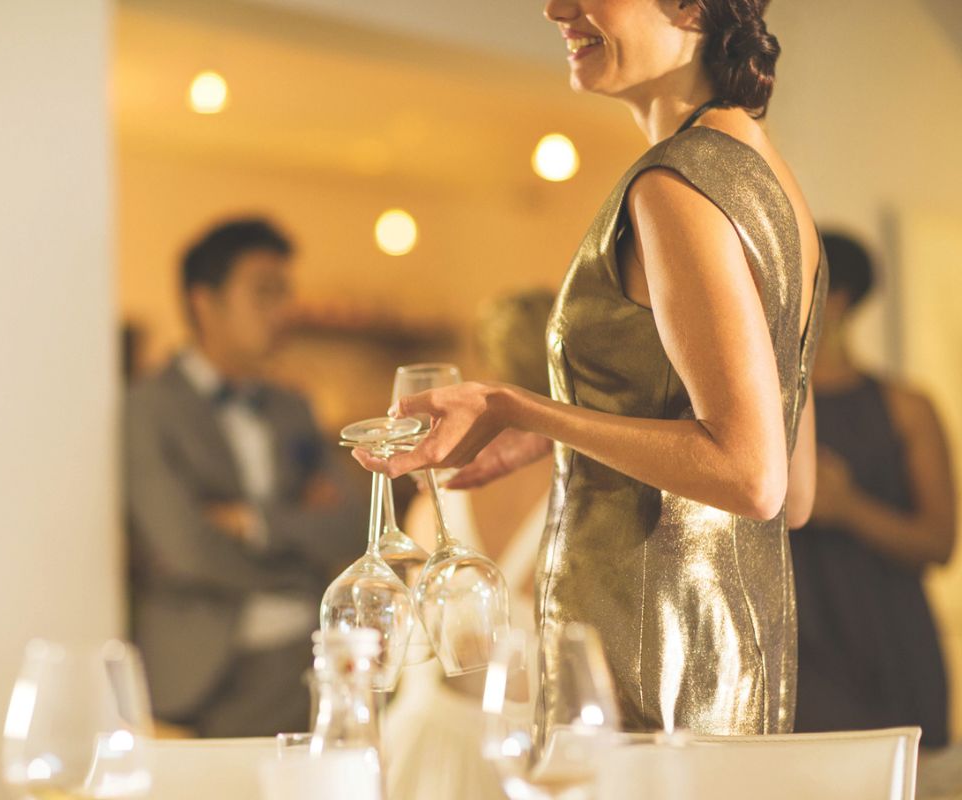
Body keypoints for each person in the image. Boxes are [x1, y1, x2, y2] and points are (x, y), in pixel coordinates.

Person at [356, 0, 826, 735]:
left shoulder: (674, 184)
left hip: (645, 675)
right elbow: (795, 493)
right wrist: (567, 433)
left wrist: (519, 407)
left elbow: (751, 476)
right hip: (733, 672)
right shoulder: (774, 183)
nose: (555, 8)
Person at [124, 217, 365, 737]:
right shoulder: (147, 407)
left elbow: (353, 523)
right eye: (264, 293)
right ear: (205, 303)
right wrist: (300, 568)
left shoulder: (293, 407)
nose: (284, 310)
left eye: (286, 292)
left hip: (307, 661)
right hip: (206, 673)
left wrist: (257, 524)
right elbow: (186, 547)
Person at [384, 289, 557, 800]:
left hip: (426, 748)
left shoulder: (436, 496)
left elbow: (415, 641)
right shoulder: (585, 492)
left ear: (485, 372)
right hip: (533, 755)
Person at [791, 233, 955, 748]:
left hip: (891, 642)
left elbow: (939, 543)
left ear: (836, 299)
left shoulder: (906, 408)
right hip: (799, 649)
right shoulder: (768, 408)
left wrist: (848, 508)